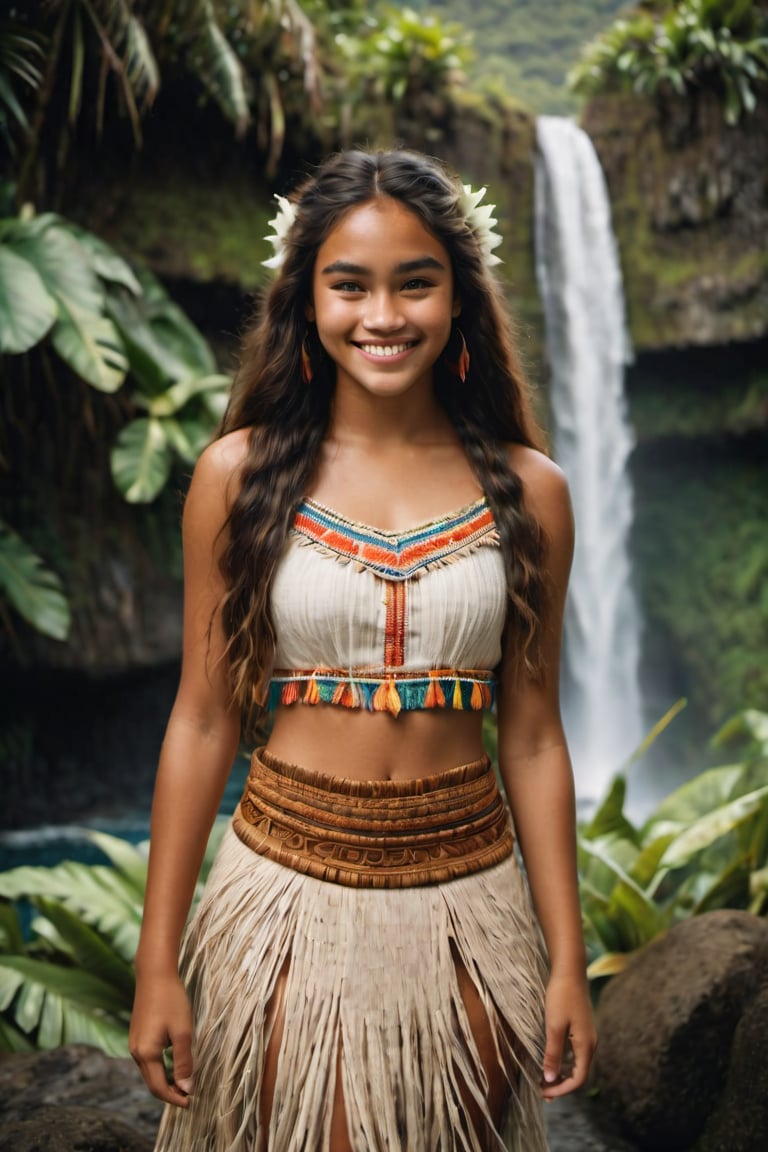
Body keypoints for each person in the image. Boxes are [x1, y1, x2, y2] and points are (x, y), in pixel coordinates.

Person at [129, 147, 596, 1152]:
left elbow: (535, 738)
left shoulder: (534, 492)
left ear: (459, 298)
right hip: (287, 899)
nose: (384, 316)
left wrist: (567, 957)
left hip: (472, 904)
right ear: (306, 300)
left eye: (415, 283)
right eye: (350, 285)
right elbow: (203, 720)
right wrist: (157, 961)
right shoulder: (236, 476)